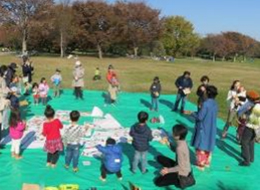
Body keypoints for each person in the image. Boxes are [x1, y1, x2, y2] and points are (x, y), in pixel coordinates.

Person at [191, 85, 218, 170]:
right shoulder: (215, 103)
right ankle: (207, 162)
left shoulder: (206, 104)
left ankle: (201, 163)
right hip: (211, 126)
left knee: (201, 144)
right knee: (209, 142)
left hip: (203, 126)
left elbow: (200, 117)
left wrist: (192, 113)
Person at [237, 90, 260, 166]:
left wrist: (244, 116)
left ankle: (246, 160)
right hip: (257, 128)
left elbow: (241, 112)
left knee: (244, 142)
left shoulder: (252, 105)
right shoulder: (257, 104)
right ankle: (251, 158)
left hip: (250, 126)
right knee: (251, 141)